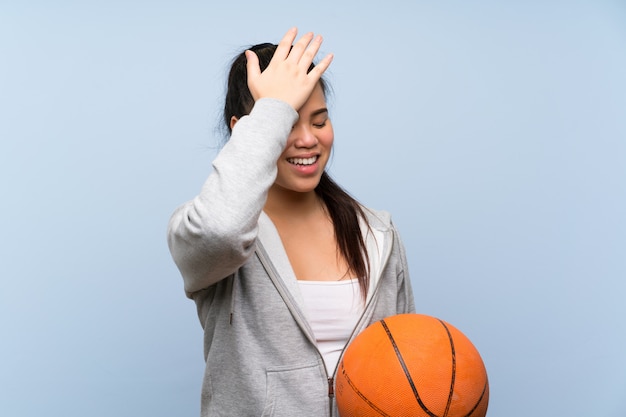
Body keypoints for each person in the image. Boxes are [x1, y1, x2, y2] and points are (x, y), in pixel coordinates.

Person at [167, 28, 415, 417]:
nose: (307, 140)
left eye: (319, 122)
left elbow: (408, 364)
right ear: (246, 130)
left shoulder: (378, 232)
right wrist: (272, 110)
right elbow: (223, 229)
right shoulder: (202, 228)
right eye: (287, 124)